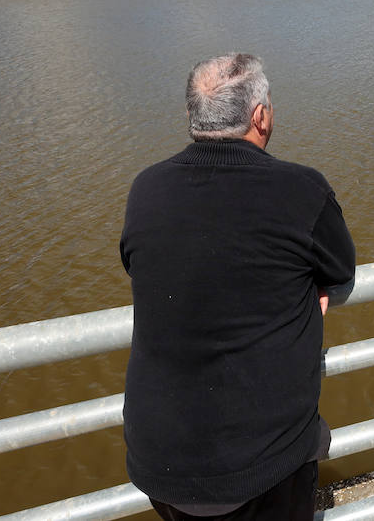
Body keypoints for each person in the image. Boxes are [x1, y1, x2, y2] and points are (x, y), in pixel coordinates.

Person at [121, 53, 355, 521]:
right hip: (263, 460)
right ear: (260, 116)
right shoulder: (302, 190)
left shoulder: (146, 189)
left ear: (192, 117)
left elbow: (139, 267)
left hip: (160, 454)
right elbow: (340, 274)